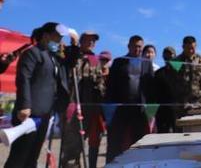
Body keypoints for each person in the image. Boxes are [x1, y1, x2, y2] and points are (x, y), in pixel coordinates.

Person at [5, 22, 70, 168]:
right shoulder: (32, 53)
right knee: (19, 155)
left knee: (33, 156)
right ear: (46, 36)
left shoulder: (53, 57)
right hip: (29, 113)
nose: (59, 41)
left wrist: (75, 43)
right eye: (57, 37)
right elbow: (23, 79)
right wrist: (24, 105)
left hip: (45, 114)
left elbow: (69, 63)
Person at [105, 35, 154, 163]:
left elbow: (150, 87)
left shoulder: (147, 63)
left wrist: (150, 109)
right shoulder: (118, 62)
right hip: (120, 108)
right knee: (115, 142)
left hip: (139, 109)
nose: (137, 49)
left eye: (139, 47)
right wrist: (109, 108)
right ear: (128, 46)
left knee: (139, 141)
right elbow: (110, 85)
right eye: (135, 46)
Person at [60, 31, 106, 168]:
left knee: (81, 142)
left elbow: (100, 82)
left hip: (89, 107)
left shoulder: (95, 59)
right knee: (70, 145)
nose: (92, 43)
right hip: (72, 105)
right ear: (81, 41)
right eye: (89, 40)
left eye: (94, 40)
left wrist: (101, 90)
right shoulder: (71, 54)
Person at [169, 36, 201, 121]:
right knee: (180, 130)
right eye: (188, 48)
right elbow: (170, 81)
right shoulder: (176, 61)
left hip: (198, 102)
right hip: (181, 103)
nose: (191, 51)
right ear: (183, 47)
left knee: (198, 128)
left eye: (193, 48)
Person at [154, 46, 178, 133]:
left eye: (171, 54)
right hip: (162, 110)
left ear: (175, 56)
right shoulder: (158, 73)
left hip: (177, 109)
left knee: (178, 134)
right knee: (162, 134)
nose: (168, 57)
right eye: (166, 55)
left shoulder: (181, 72)